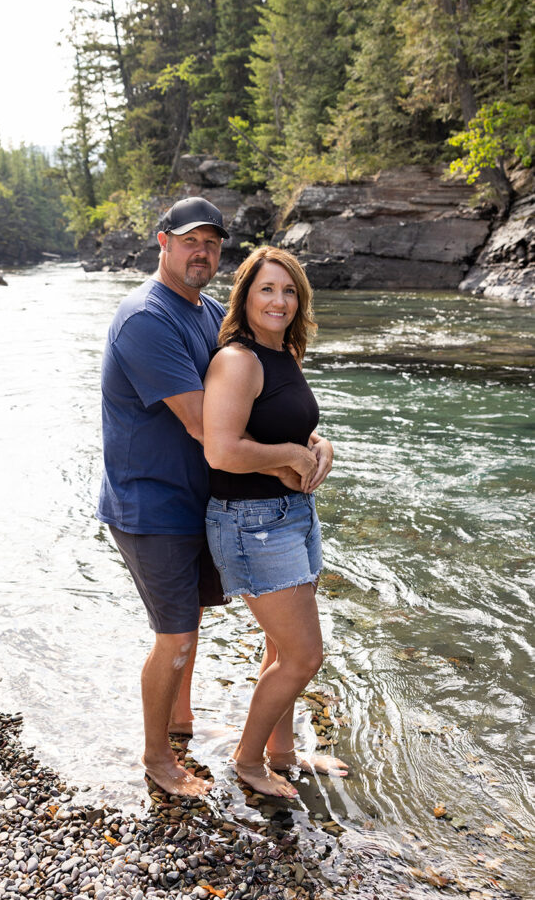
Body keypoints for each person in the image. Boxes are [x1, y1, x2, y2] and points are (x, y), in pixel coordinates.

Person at [97, 199, 333, 798]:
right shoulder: (146, 319)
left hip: (201, 497)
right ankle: (158, 759)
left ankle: (183, 731)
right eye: (189, 240)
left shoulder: (202, 313)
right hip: (152, 503)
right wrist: (288, 460)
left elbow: (258, 399)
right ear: (162, 242)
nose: (201, 252)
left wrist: (308, 441)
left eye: (211, 243)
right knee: (175, 636)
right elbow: (210, 429)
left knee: (197, 628)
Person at [203, 246, 348, 798]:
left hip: (292, 515)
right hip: (250, 522)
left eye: (289, 291)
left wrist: (318, 445)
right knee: (305, 655)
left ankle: (281, 751)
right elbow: (222, 450)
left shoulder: (283, 351)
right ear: (245, 296)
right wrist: (291, 452)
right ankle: (247, 761)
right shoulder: (237, 360)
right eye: (267, 289)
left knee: (282, 648)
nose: (279, 300)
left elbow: (287, 424)